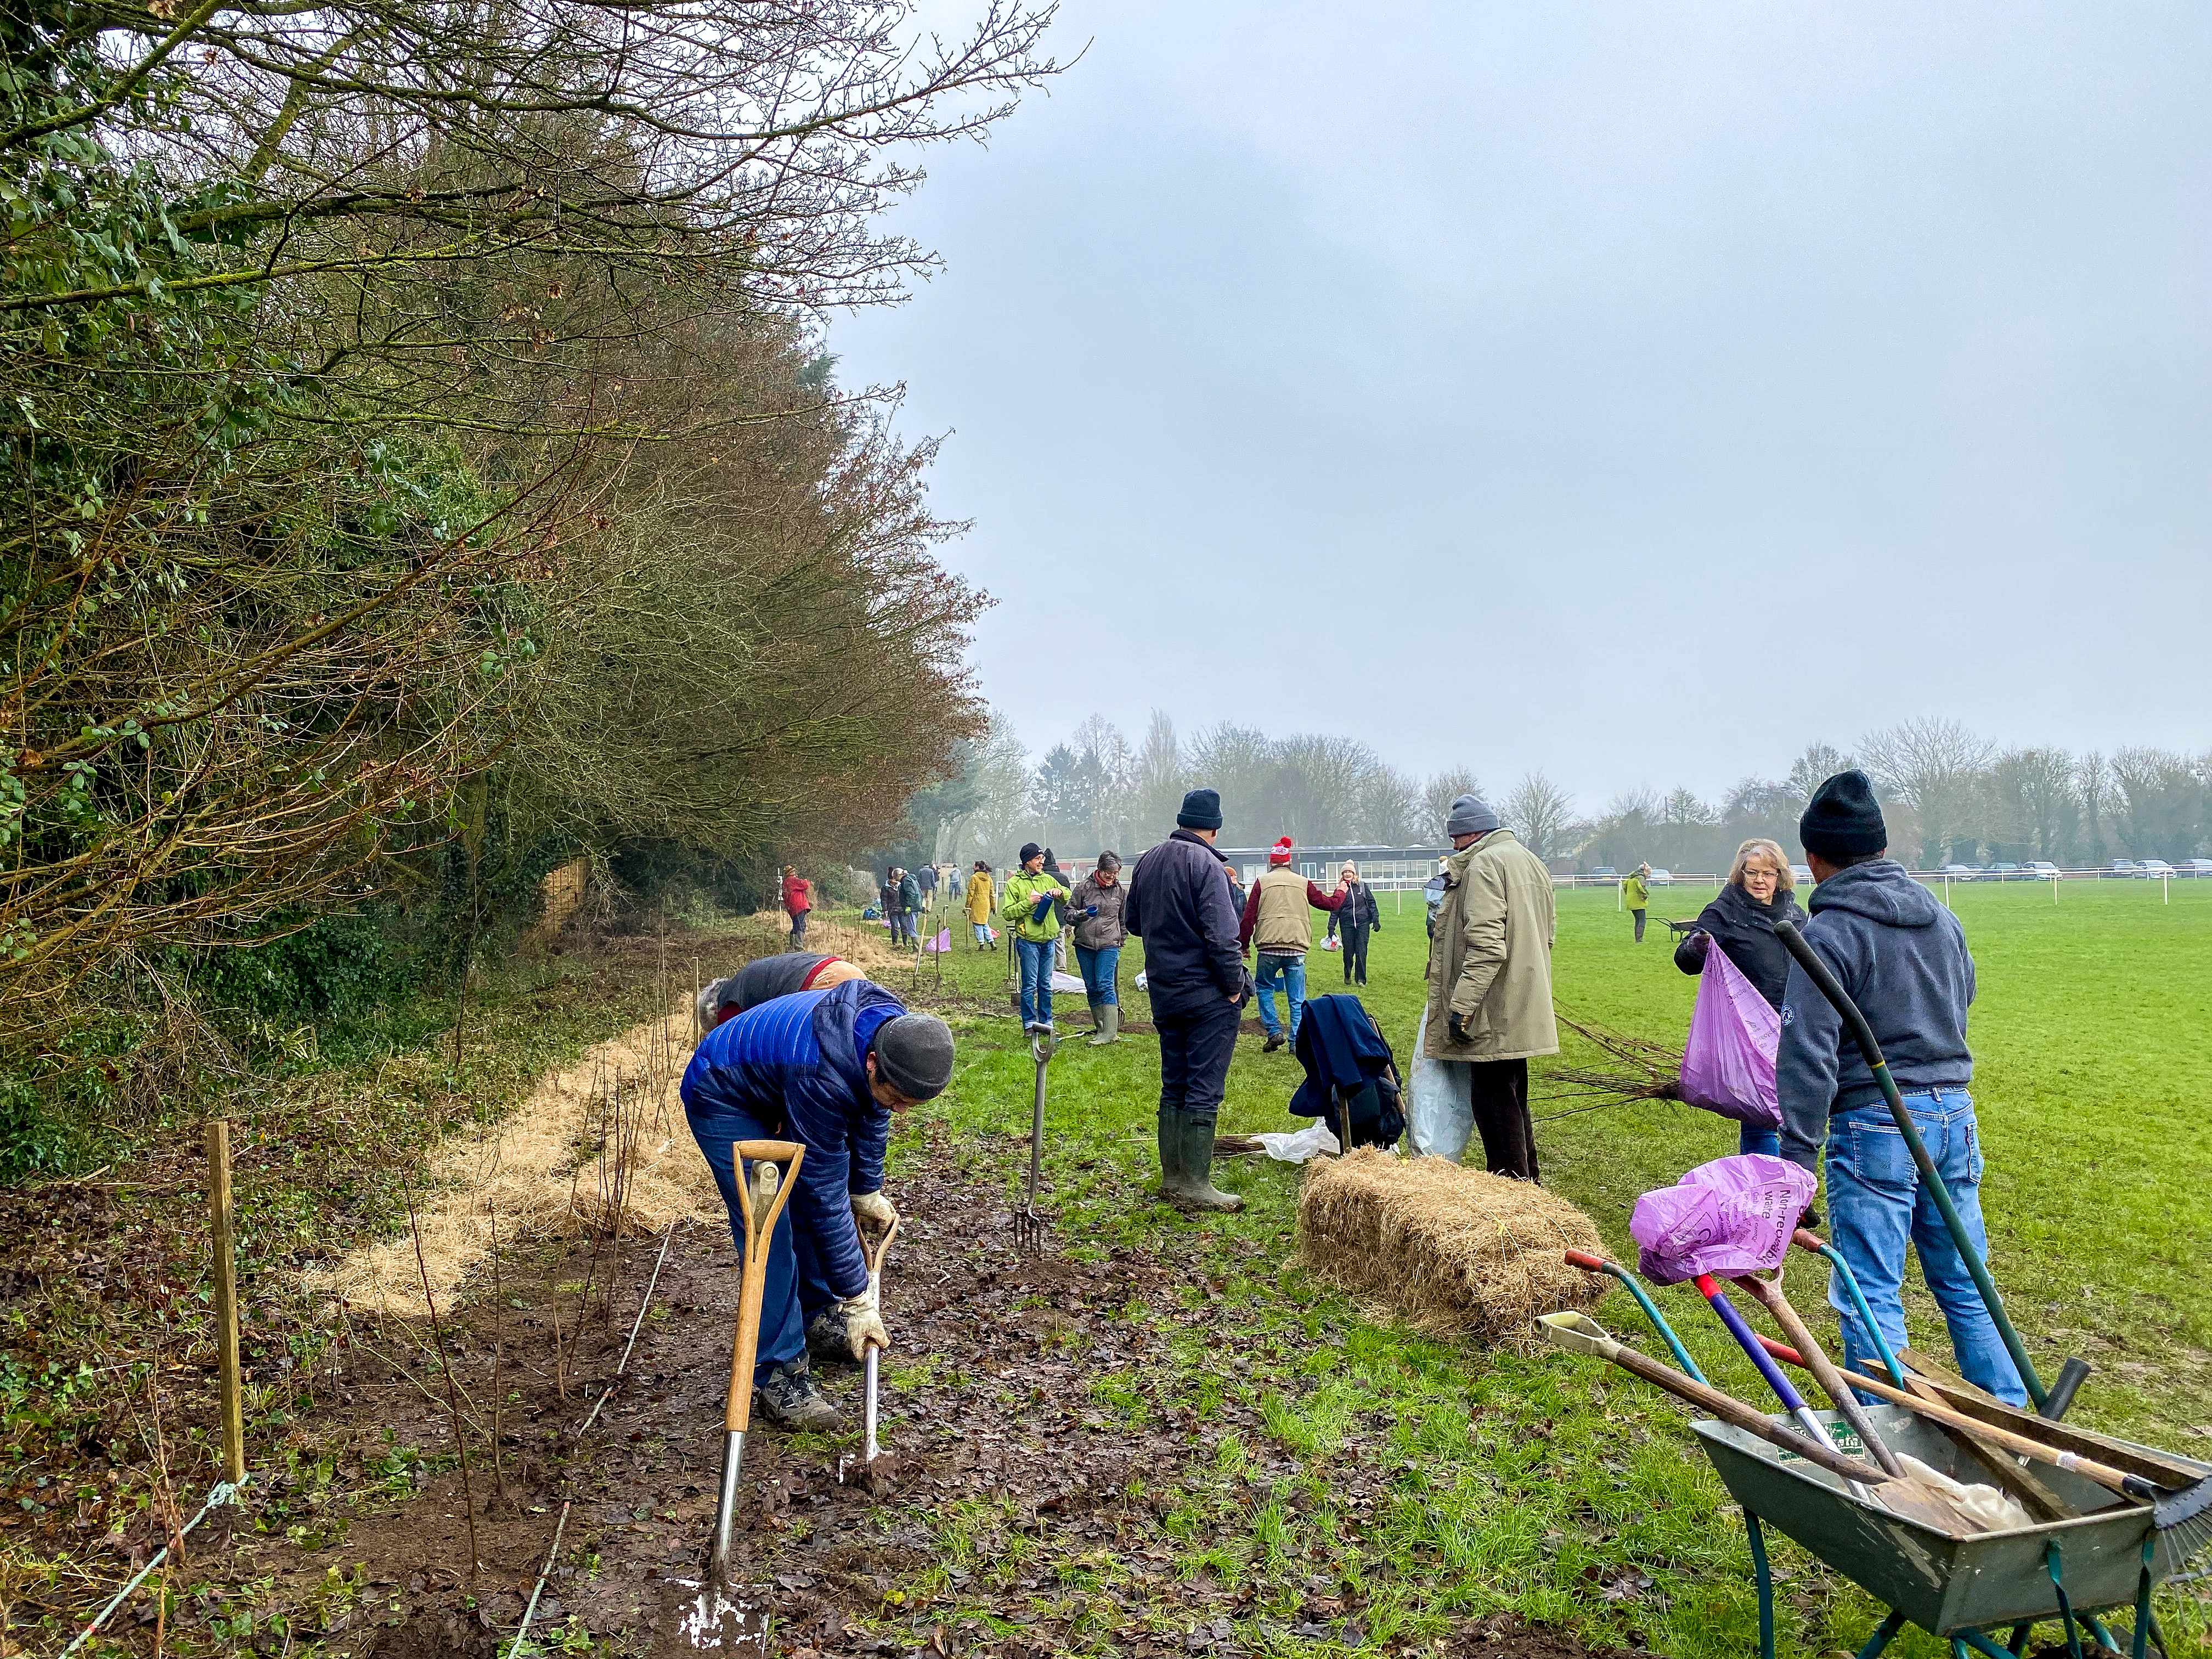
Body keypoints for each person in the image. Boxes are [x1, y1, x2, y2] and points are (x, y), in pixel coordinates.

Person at [1775, 771, 2024, 1406]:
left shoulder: (1827, 935)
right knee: (1968, 1279)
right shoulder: (1941, 919)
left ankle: (1885, 1424)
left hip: (1875, 1121)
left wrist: (1796, 1166)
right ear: (1881, 849)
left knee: (1869, 1285)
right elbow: (1962, 997)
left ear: (1813, 857)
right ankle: (2015, 1412)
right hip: (1954, 1114)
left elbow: (1807, 1054)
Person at [680, 979, 955, 1427]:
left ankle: (813, 1315)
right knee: (770, 1227)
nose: (902, 1111)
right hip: (722, 1090)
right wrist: (858, 1297)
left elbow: (873, 1111)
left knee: (806, 1201)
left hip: (778, 1081)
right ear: (872, 1064)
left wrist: (866, 1189)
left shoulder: (892, 1032)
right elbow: (826, 1191)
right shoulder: (822, 1075)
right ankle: (777, 1374)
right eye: (900, 1098)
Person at [1421, 793, 1558, 1181]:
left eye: (1456, 839)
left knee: (1494, 1105)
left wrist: (1461, 1007)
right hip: (1524, 997)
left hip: (1493, 1003)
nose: (1453, 847)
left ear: (1473, 834)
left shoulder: (1483, 865)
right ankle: (1529, 1184)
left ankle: (1511, 1189)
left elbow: (1486, 946)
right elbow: (1548, 937)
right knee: (1515, 1098)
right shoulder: (1532, 861)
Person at [1125, 788, 1248, 1211]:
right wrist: (1234, 985)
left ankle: (1173, 1177)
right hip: (1207, 996)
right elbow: (1223, 938)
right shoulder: (1208, 866)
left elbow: (1133, 923)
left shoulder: (1148, 860)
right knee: (1204, 1087)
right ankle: (1196, 1183)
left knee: (1174, 1082)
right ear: (1214, 828)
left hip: (1164, 991)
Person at [1673, 838, 1807, 1156]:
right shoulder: (1723, 913)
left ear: (1780, 876)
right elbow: (1685, 960)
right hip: (1750, 1033)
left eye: (1768, 873)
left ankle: (1792, 1185)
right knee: (1761, 1117)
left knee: (1796, 1116)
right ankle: (1766, 1187)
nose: (1760, 880)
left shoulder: (1796, 914)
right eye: (1752, 873)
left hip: (1793, 1025)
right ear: (1741, 874)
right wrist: (1698, 946)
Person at [1238, 839, 1347, 1051]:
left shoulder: (1262, 882)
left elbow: (1248, 916)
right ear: (1289, 861)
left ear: (1271, 862)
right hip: (1297, 947)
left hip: (1268, 947)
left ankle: (1274, 1031)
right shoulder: (1302, 882)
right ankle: (1296, 1041)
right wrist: (1341, 891)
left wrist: (1243, 945)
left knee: (1264, 988)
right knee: (1297, 998)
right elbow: (1330, 904)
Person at [696, 953, 866, 1031]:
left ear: (713, 1010)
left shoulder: (728, 1009)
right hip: (845, 970)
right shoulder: (743, 982)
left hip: (822, 983)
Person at [1064, 851, 1130, 1044]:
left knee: (1105, 985)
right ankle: (1101, 1028)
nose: (1112, 877)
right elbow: (1068, 913)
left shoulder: (1120, 892)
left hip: (1110, 944)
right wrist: (1078, 916)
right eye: (1109, 872)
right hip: (1084, 944)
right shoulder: (1083, 888)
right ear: (1099, 870)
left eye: (1116, 873)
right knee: (1092, 988)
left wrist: (1120, 942)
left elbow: (1123, 920)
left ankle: (1110, 1033)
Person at [1001, 844, 1067, 1034]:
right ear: (1027, 861)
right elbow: (1008, 913)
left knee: (1045, 984)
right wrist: (1029, 902)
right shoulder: (1014, 883)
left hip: (1049, 939)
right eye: (1038, 859)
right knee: (1030, 984)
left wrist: (1060, 892)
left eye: (1042, 859)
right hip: (1028, 941)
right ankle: (1030, 1023)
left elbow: (1068, 896)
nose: (1042, 862)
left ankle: (1047, 1020)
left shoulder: (1048, 879)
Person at [1330, 860, 1381, 986]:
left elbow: (1371, 903)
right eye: (1345, 872)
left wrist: (1376, 919)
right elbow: (1335, 909)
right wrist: (1331, 927)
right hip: (1347, 924)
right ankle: (1347, 974)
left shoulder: (1362, 886)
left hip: (1363, 923)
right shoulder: (1340, 889)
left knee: (1361, 951)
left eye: (1350, 872)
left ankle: (1361, 980)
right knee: (1348, 952)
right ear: (1342, 875)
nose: (1348, 874)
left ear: (1354, 874)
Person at [965, 860, 996, 949]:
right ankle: (991, 942)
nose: (973, 867)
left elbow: (971, 893)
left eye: (974, 866)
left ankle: (981, 943)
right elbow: (991, 893)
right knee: (985, 923)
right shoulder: (989, 878)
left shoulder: (974, 878)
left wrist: (968, 906)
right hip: (986, 904)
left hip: (977, 904)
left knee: (977, 924)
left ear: (978, 867)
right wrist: (993, 905)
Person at [781, 865, 813, 947]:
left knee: (796, 924)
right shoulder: (792, 880)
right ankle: (798, 946)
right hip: (799, 906)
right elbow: (805, 885)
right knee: (800, 925)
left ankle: (793, 945)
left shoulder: (785, 883)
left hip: (792, 908)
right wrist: (808, 881)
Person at [1623, 863, 1651, 943]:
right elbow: (1642, 888)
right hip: (1639, 903)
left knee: (1638, 920)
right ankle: (1639, 940)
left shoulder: (1632, 878)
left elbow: (1625, 886)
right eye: (1648, 874)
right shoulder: (1640, 878)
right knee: (1642, 920)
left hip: (1631, 902)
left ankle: (1638, 939)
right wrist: (1645, 896)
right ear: (1644, 871)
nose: (1648, 876)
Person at [895, 866, 923, 945]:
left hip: (912, 908)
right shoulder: (912, 879)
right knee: (912, 926)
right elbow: (920, 893)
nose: (896, 880)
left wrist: (908, 907)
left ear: (899, 875)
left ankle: (917, 948)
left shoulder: (906, 881)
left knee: (911, 928)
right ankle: (916, 947)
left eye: (896, 877)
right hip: (916, 906)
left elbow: (911, 895)